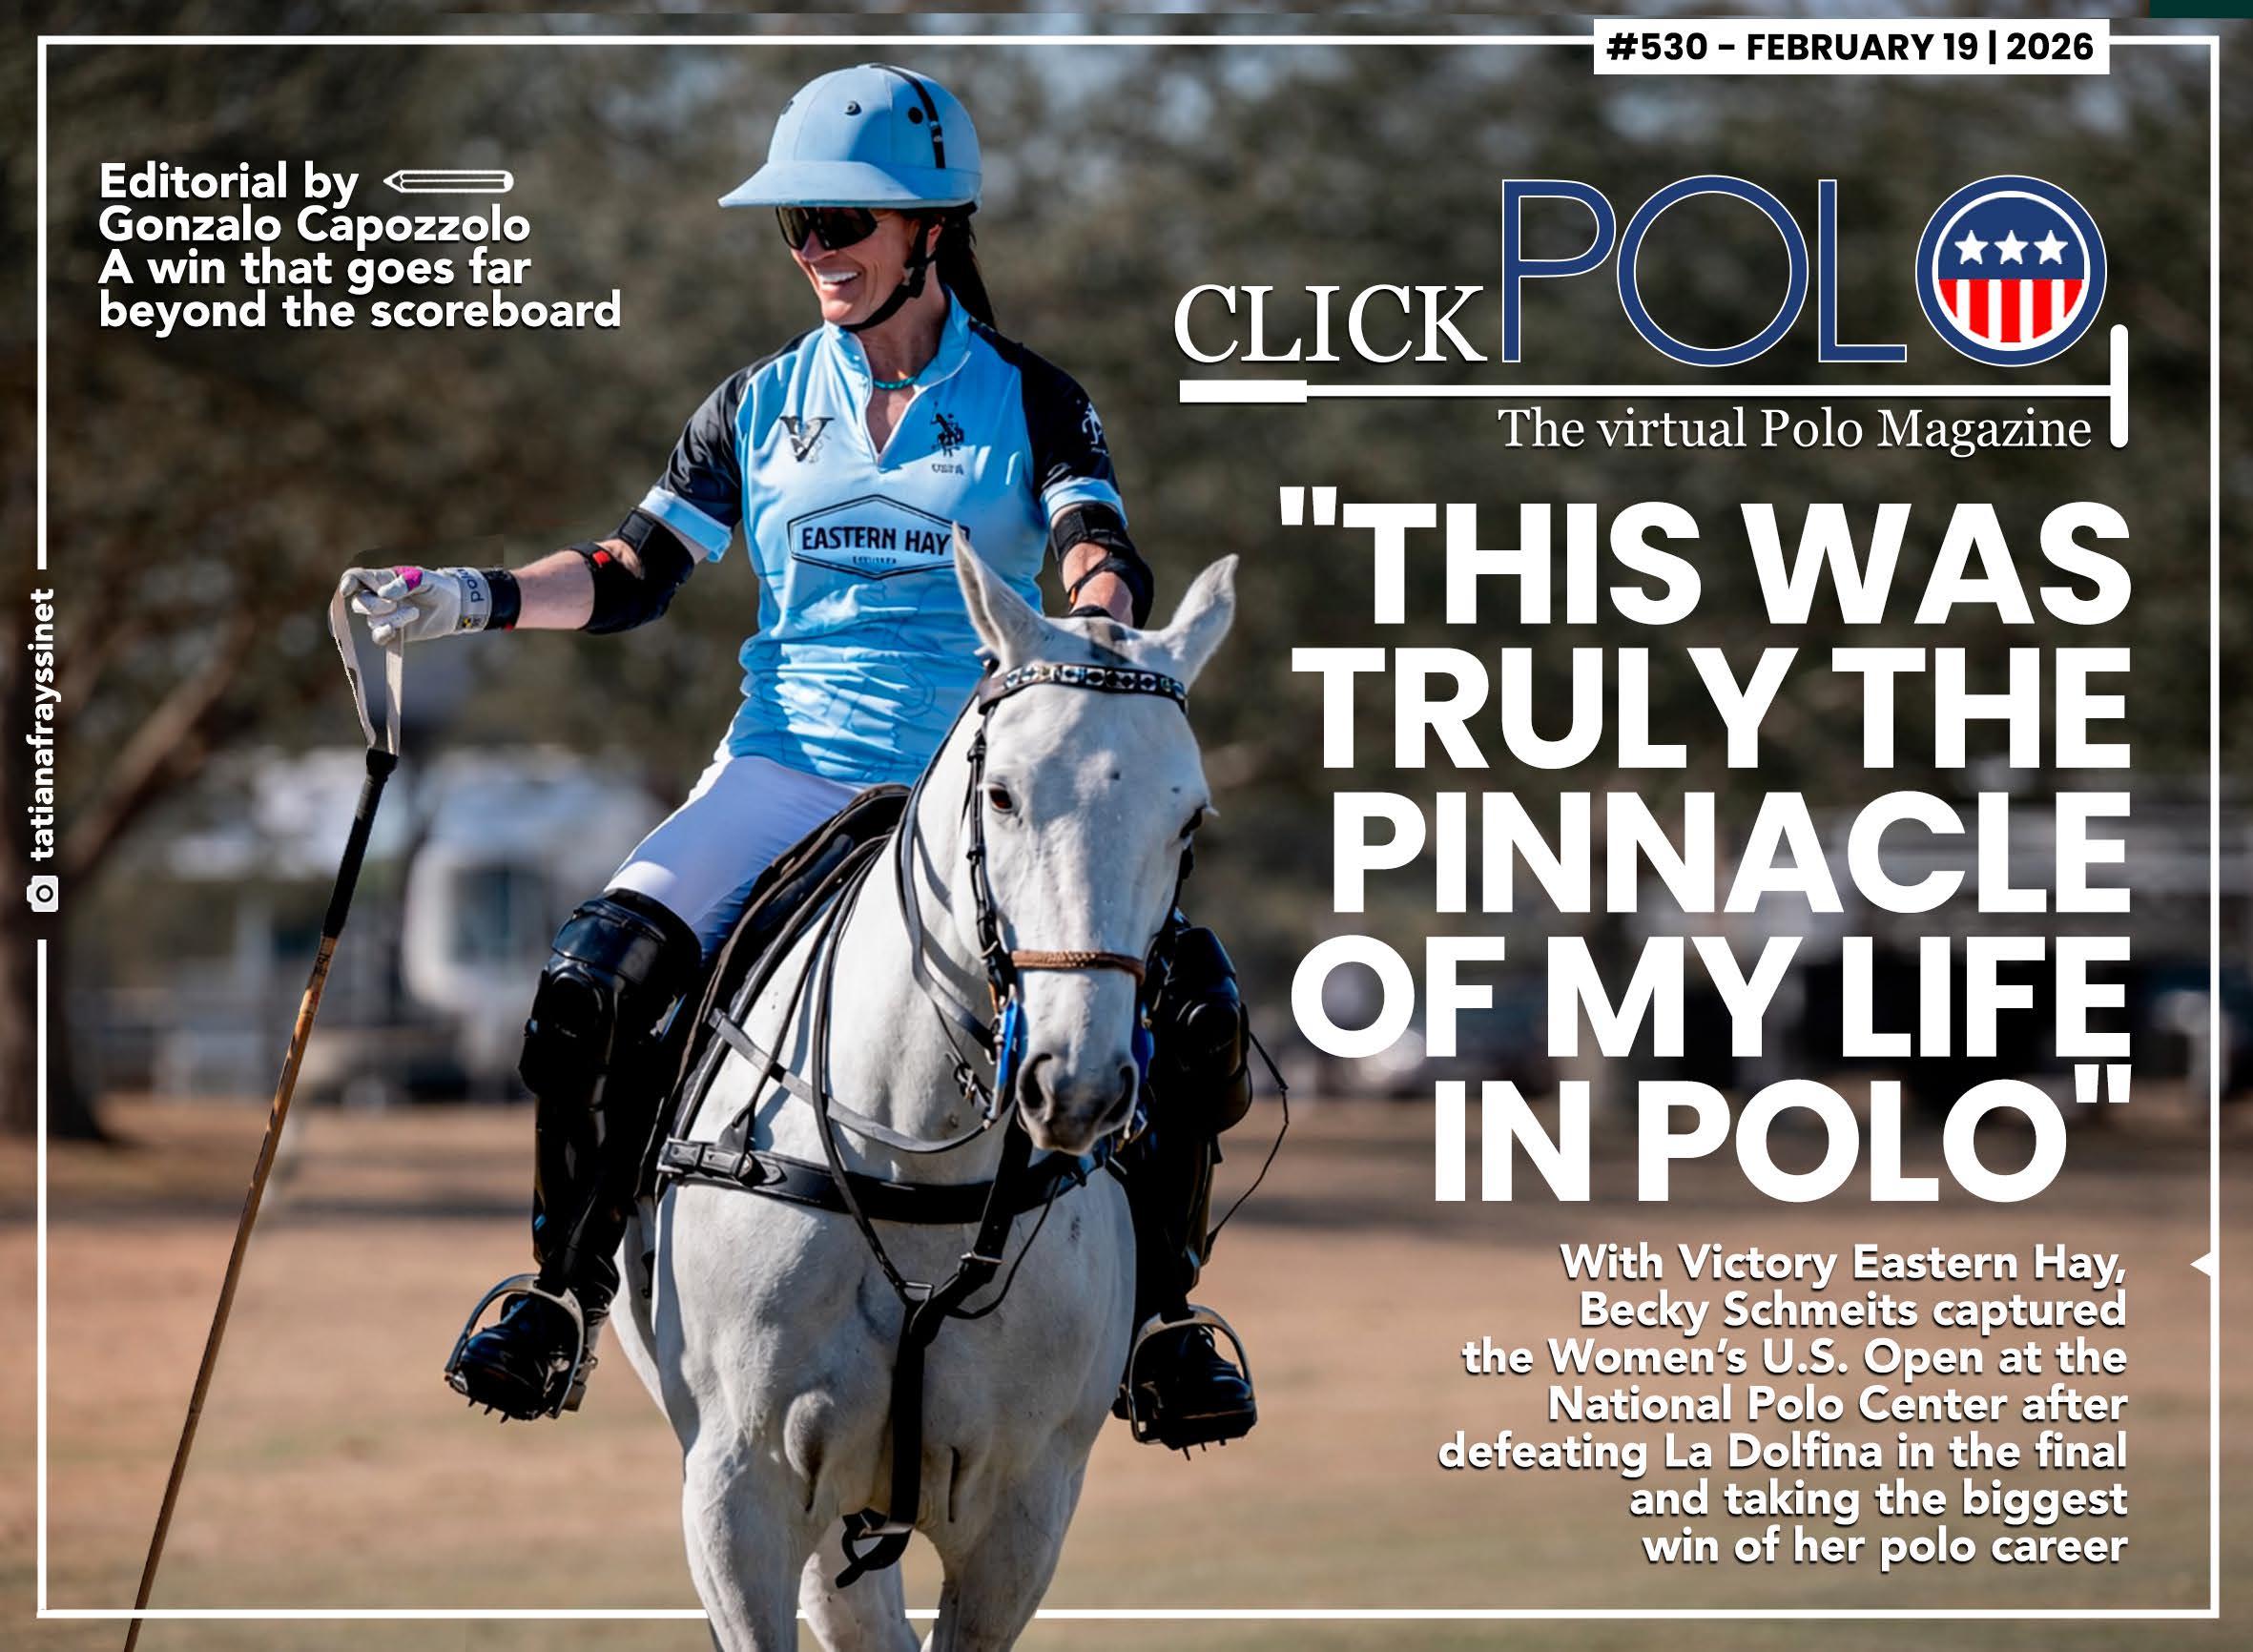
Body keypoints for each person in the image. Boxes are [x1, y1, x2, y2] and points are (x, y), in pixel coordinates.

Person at [341, 63, 1257, 1451]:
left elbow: (1095, 547)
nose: (815, 249)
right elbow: (633, 571)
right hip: (783, 769)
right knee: (587, 986)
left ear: (930, 230)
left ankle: (1160, 1322)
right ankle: (560, 1292)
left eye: (842, 222)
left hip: (973, 790)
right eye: (798, 225)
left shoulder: (1030, 399)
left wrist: (1094, 631)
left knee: (1190, 1007)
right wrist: (474, 596)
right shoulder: (758, 403)